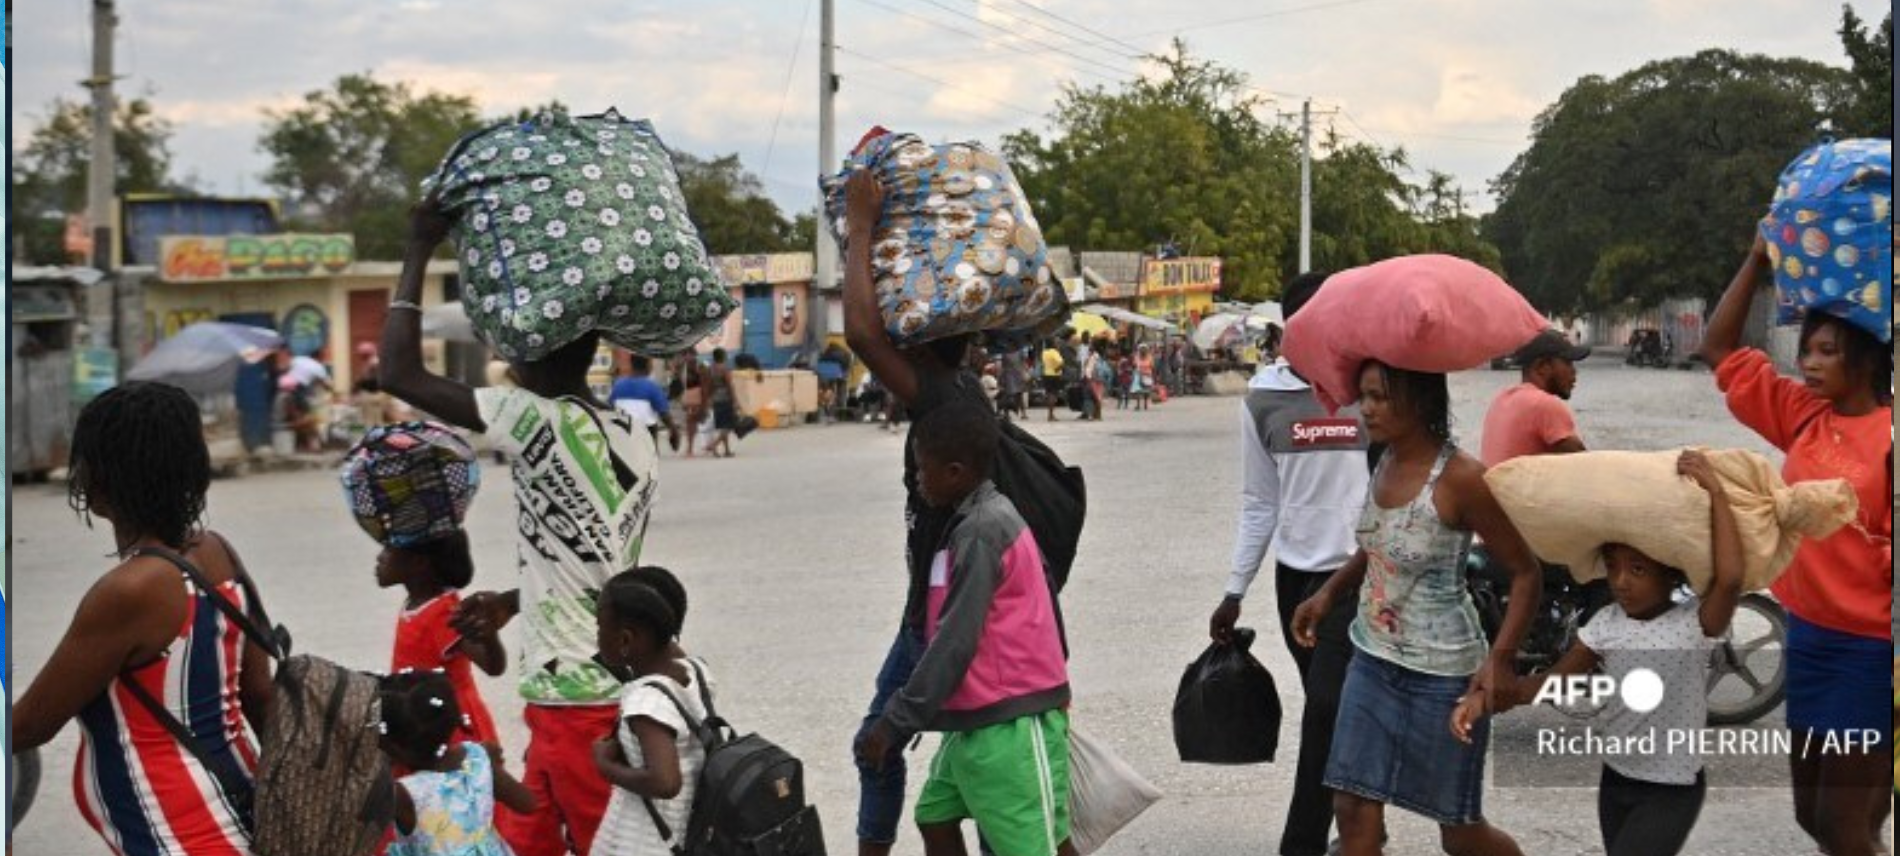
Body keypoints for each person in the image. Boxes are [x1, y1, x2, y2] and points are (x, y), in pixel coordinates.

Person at [381, 194, 659, 856]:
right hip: (588, 690)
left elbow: (397, 372)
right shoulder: (632, 435)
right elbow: (602, 563)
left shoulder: (534, 418)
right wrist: (512, 601)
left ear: (532, 355)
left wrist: (421, 245)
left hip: (574, 702)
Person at [12, 382, 278, 856]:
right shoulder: (218, 552)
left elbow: (30, 726)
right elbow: (259, 696)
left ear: (103, 479)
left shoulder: (131, 590)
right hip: (247, 815)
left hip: (179, 835)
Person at [1290, 363, 1541, 856]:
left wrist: (1501, 660)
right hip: (1371, 661)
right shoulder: (1381, 458)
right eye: (1363, 396)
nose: (1366, 408)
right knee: (1353, 811)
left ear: (1422, 401)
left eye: (1379, 397)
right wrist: (1328, 594)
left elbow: (1525, 572)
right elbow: (1382, 545)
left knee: (1460, 832)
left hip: (1444, 677)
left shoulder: (1462, 478)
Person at [1699, 234, 1893, 856]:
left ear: (1865, 358)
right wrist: (1756, 258)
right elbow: (1720, 348)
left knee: (1841, 826)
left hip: (1871, 653)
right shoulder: (1806, 415)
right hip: (1808, 638)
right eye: (1806, 348)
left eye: (1826, 351)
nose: (1807, 362)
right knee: (1816, 817)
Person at [841, 170, 1017, 856]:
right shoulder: (964, 387)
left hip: (941, 622)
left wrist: (860, 227)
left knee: (881, 746)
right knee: (952, 777)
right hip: (933, 612)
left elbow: (860, 333)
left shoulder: (943, 396)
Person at [1452, 450, 1742, 856]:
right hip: (1617, 779)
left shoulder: (1693, 624)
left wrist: (1716, 493)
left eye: (1637, 570)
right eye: (1613, 567)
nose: (1621, 581)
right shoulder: (1607, 623)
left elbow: (1730, 579)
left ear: (1670, 573)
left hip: (1672, 789)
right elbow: (1553, 683)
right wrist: (1485, 700)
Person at [855, 401, 1075, 856]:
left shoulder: (981, 529)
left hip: (1009, 722)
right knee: (934, 817)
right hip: (976, 721)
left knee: (1034, 846)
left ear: (955, 472)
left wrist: (895, 721)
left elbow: (954, 641)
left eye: (922, 470)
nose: (917, 479)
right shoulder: (963, 521)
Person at [1209, 272, 1373, 856]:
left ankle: (1303, 843)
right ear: (1293, 326)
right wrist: (1235, 589)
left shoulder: (1367, 389)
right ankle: (1360, 826)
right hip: (1295, 583)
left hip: (1359, 576)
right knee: (1333, 710)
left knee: (1329, 708)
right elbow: (1260, 502)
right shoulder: (1263, 398)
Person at [590, 573, 713, 856]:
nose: (596, 637)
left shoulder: (646, 703)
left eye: (599, 627)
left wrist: (605, 766)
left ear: (625, 639)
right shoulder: (696, 671)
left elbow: (665, 782)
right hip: (686, 827)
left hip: (644, 842)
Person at [379, 671, 538, 856]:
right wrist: (490, 770)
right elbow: (527, 803)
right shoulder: (478, 758)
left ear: (395, 748)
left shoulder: (404, 794)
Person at [376, 529, 506, 755]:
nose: (380, 557)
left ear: (418, 563)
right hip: (419, 716)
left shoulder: (443, 613)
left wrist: (489, 636)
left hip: (445, 726)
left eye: (388, 549)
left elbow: (493, 666)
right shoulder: (416, 602)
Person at [1479, 329, 1590, 466]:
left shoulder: (1501, 399)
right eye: (1567, 363)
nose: (1574, 372)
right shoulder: (1543, 405)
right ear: (1541, 367)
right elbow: (1585, 465)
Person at [611, 354, 680, 453]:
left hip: (623, 431)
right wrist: (674, 431)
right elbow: (664, 414)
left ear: (631, 364)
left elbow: (610, 408)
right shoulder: (651, 387)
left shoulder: (618, 386)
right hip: (646, 431)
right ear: (649, 365)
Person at [671, 348, 708, 458]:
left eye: (689, 355)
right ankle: (690, 448)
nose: (687, 357)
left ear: (694, 355)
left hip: (696, 397)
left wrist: (704, 403)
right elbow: (677, 382)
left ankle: (690, 448)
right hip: (686, 398)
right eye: (685, 355)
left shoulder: (700, 367)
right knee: (690, 423)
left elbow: (704, 386)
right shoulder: (683, 368)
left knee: (691, 422)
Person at [705, 348, 740, 458]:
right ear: (722, 356)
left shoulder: (711, 369)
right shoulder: (724, 369)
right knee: (729, 425)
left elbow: (709, 386)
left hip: (716, 399)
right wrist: (735, 400)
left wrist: (709, 399)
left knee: (722, 426)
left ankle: (727, 450)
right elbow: (730, 385)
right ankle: (714, 445)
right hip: (725, 398)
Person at [1040, 338, 1066, 422]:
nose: (1057, 343)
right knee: (1053, 395)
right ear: (1052, 343)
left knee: (1049, 393)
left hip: (1046, 374)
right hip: (1054, 375)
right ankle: (1051, 415)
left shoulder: (1044, 352)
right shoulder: (1054, 352)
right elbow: (1062, 362)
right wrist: (1057, 369)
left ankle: (1050, 414)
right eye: (1056, 342)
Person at [1131, 344, 1156, 410]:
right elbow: (1152, 366)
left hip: (1142, 374)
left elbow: (1134, 365)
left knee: (1140, 390)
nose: (1143, 350)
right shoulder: (1149, 357)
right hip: (1144, 374)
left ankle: (1139, 405)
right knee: (1143, 390)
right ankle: (1144, 404)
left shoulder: (1138, 357)